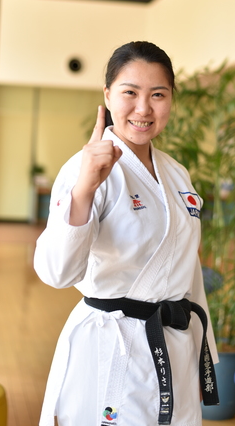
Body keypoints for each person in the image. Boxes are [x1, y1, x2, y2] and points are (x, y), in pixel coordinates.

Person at [34, 41, 219, 426]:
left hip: (175, 342)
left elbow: (187, 268)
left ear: (171, 100)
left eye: (158, 95)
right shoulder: (84, 168)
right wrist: (84, 190)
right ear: (107, 95)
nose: (143, 109)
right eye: (130, 93)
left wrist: (205, 354)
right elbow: (56, 272)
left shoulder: (176, 172)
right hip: (114, 345)